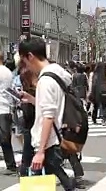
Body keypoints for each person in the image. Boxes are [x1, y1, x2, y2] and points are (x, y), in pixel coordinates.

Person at [17, 38, 77, 191]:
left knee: (37, 182)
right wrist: (32, 100)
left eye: (24, 61)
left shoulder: (45, 81)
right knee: (58, 177)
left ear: (30, 56)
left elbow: (48, 116)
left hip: (47, 142)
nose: (26, 67)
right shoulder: (57, 74)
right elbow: (51, 108)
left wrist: (40, 151)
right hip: (53, 139)